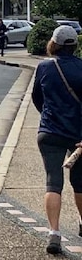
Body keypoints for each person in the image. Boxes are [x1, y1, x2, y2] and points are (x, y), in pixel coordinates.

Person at [32, 25, 82, 254]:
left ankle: (54, 233)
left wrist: (49, 116)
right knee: (80, 183)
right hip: (78, 136)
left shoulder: (44, 67)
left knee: (53, 181)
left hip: (50, 132)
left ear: (55, 43)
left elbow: (37, 98)